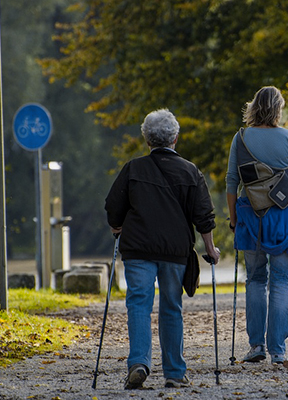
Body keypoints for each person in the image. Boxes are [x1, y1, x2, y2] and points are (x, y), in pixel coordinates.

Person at [105, 109, 220, 389]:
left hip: (138, 250)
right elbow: (203, 215)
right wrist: (211, 249)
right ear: (175, 139)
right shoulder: (191, 171)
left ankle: (139, 363)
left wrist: (117, 227)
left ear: (146, 139)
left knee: (138, 305)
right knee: (171, 307)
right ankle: (175, 373)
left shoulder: (133, 168)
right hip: (174, 252)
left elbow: (113, 206)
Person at [225, 86, 288, 365]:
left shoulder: (241, 138)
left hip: (251, 216)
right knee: (281, 282)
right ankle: (278, 350)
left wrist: (234, 220)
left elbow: (231, 183)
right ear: (278, 109)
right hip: (284, 217)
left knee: (255, 279)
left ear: (253, 107)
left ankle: (256, 346)